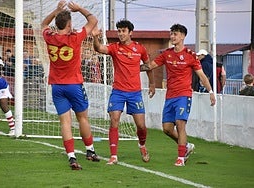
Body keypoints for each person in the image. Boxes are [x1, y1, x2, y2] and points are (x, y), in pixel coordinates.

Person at [141, 24, 216, 166]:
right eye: (171, 34)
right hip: (170, 96)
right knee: (167, 129)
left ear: (182, 36)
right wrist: (132, 67)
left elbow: (202, 76)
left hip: (184, 95)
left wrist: (211, 92)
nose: (172, 36)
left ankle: (181, 158)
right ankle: (186, 146)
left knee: (181, 124)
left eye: (175, 34)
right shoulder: (167, 54)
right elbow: (150, 66)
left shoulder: (190, 55)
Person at [41, 0, 100, 170]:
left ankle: (72, 157)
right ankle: (90, 151)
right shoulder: (75, 37)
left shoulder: (49, 37)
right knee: (82, 117)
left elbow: (44, 24)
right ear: (69, 24)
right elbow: (93, 21)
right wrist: (79, 8)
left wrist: (56, 10)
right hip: (74, 84)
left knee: (65, 122)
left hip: (57, 86)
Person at [92, 19, 155, 165]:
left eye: (123, 31)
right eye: (119, 31)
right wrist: (95, 37)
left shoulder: (140, 49)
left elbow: (148, 66)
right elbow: (99, 49)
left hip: (135, 92)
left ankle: (142, 145)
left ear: (130, 32)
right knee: (114, 120)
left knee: (141, 126)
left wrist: (152, 83)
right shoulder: (114, 48)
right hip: (118, 91)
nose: (120, 34)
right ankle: (113, 155)